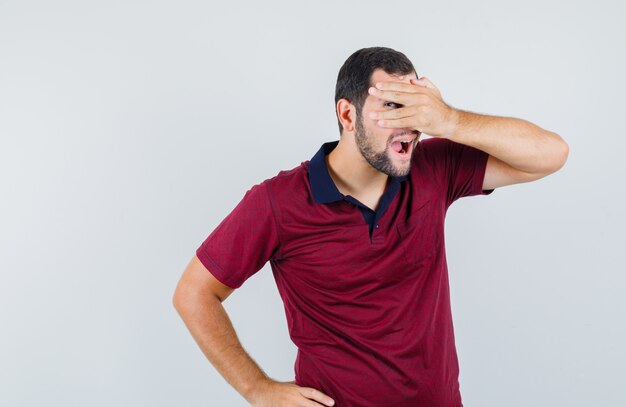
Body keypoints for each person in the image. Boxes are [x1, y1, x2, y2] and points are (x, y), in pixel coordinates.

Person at [173, 46, 569, 407]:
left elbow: (550, 154)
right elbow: (194, 293)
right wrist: (256, 388)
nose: (411, 126)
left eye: (417, 110)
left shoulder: (433, 168)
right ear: (347, 114)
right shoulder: (277, 202)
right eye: (394, 108)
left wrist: (447, 118)